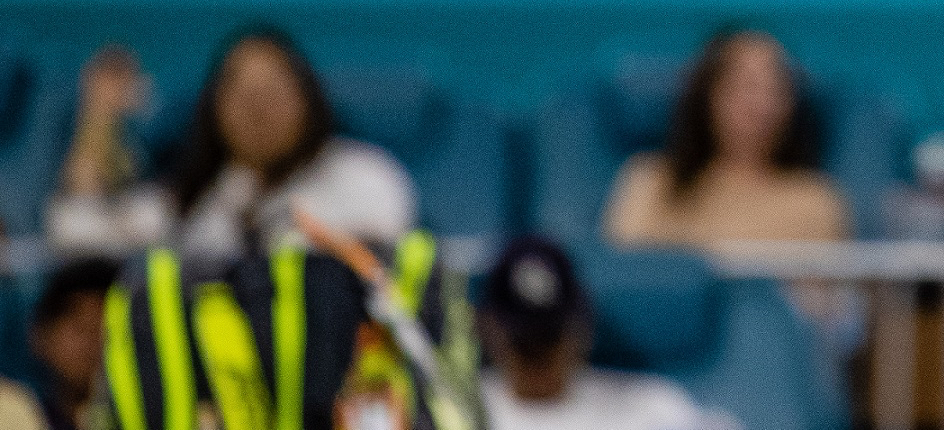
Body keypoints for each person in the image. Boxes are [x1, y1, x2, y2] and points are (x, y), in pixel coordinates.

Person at [45, 28, 415, 259]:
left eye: (273, 93)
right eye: (242, 97)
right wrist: (98, 119)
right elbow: (75, 231)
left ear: (308, 99)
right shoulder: (198, 204)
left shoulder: (363, 175)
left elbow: (377, 258)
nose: (259, 112)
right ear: (214, 112)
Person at [600, 29, 851, 248]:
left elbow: (823, 288)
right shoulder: (650, 181)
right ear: (707, 97)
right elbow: (620, 276)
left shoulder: (815, 201)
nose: (763, 105)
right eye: (747, 86)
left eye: (776, 89)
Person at [478, 235, 733, 430]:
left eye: (549, 339)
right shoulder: (460, 411)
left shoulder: (652, 408)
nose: (538, 359)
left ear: (582, 329)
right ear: (489, 331)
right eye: (523, 344)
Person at [15, 257, 118, 430]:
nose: (95, 343)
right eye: (81, 327)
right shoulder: (16, 416)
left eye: (108, 329)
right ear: (41, 335)